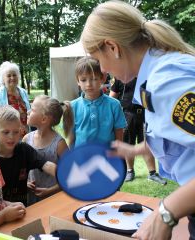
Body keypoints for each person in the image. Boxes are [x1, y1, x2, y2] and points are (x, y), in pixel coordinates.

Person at [81, 1, 195, 239]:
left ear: (112, 47)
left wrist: (166, 211)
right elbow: (182, 140)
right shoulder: (159, 73)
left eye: (98, 59)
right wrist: (136, 149)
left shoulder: (166, 81)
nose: (102, 70)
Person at [0, 105, 57, 206]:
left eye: (16, 132)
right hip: (0, 215)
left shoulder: (24, 150)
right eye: (6, 132)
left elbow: (46, 165)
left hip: (23, 212)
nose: (11, 137)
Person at [110, 78, 167, 185]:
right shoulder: (121, 76)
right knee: (128, 143)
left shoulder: (147, 76)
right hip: (127, 114)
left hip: (146, 115)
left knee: (147, 143)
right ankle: (130, 171)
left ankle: (152, 174)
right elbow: (111, 98)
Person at [63, 56, 127, 147]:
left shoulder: (114, 105)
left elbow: (119, 135)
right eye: (83, 80)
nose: (88, 84)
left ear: (102, 78)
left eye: (94, 79)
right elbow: (71, 139)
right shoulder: (72, 107)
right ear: (78, 81)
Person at [23, 95, 69, 205]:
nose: (28, 111)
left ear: (44, 119)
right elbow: (21, 168)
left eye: (33, 109)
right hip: (30, 199)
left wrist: (50, 191)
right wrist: (26, 183)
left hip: (53, 200)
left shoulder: (59, 144)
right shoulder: (26, 139)